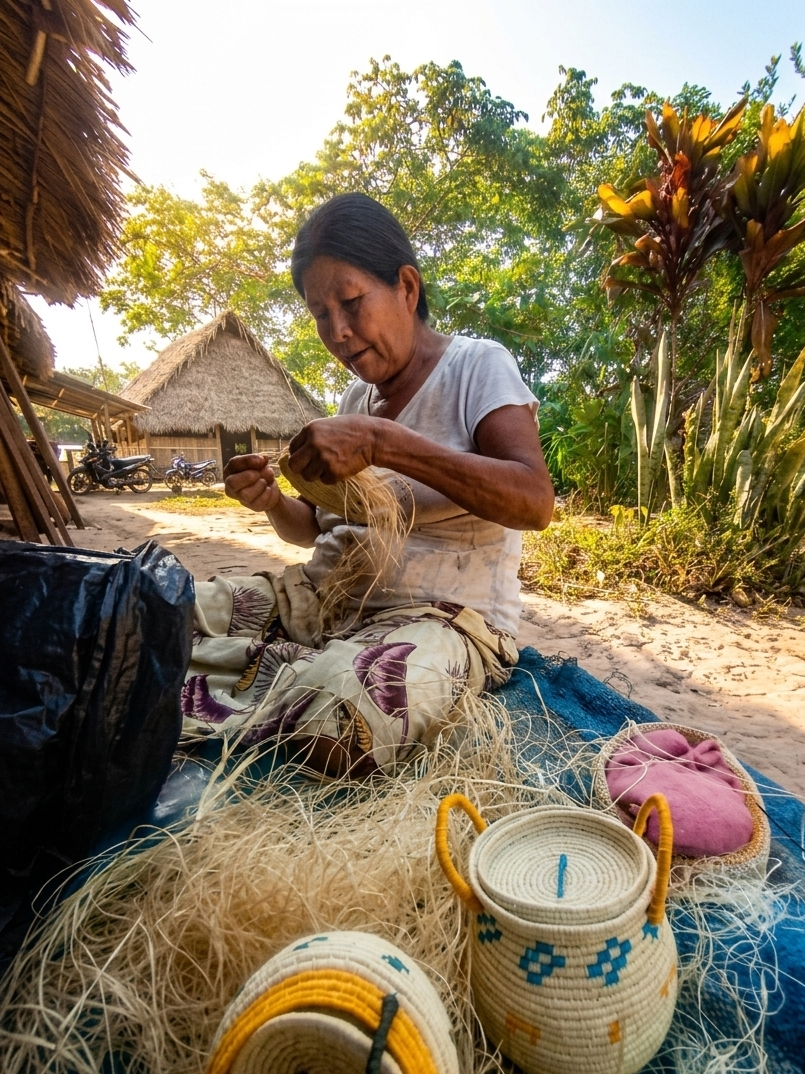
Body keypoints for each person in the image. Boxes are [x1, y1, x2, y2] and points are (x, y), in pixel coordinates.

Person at [182, 193, 554, 776]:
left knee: (338, 719)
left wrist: (384, 443)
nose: (339, 332)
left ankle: (291, 683)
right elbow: (316, 529)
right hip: (320, 603)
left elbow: (533, 500)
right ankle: (287, 673)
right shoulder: (356, 399)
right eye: (320, 314)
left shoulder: (477, 367)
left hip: (442, 619)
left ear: (407, 287)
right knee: (160, 613)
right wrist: (272, 500)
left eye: (352, 302)